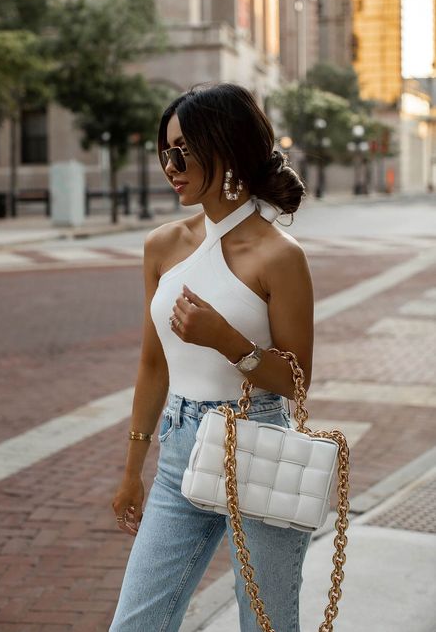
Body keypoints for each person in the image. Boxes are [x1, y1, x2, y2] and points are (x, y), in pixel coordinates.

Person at [109, 82, 314, 632]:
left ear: (223, 149)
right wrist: (133, 471)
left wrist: (226, 339)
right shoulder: (162, 246)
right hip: (180, 447)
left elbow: (295, 380)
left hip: (261, 443)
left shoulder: (279, 256)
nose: (170, 166)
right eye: (165, 152)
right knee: (136, 623)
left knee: (266, 625)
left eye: (182, 152)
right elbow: (153, 364)